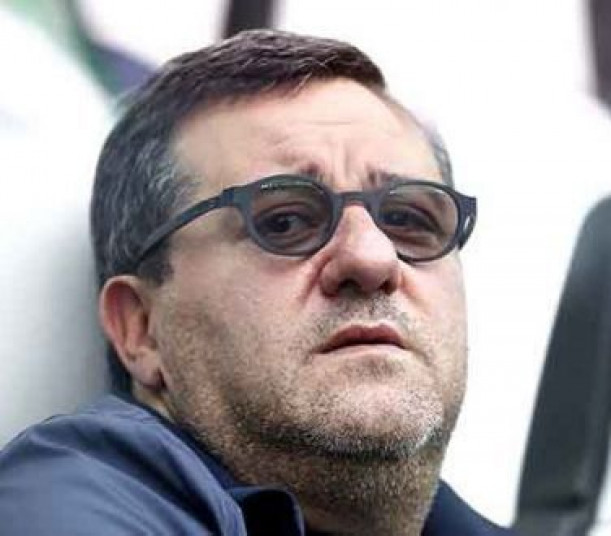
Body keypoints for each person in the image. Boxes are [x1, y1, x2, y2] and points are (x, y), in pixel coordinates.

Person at [0, 29, 512, 535]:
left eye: (407, 220)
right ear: (141, 327)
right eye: (284, 222)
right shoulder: (69, 502)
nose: (373, 258)